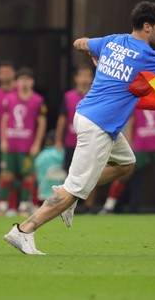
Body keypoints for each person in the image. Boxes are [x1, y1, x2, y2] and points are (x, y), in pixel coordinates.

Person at [3, 1, 155, 255]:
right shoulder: (146, 55)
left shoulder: (111, 41)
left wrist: (92, 52)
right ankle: (24, 230)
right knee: (73, 188)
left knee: (125, 164)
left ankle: (70, 194)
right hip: (98, 124)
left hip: (88, 116)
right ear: (147, 26)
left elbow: (80, 42)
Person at [0, 67, 47, 216]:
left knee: (28, 176)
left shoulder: (38, 100)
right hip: (11, 144)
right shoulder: (9, 99)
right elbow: (4, 119)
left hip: (27, 146)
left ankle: (23, 207)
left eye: (28, 80)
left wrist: (37, 144)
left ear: (32, 82)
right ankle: (2, 207)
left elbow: (42, 122)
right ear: (16, 82)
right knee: (7, 175)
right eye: (22, 79)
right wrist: (3, 140)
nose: (25, 83)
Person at [54, 63, 96, 212]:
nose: (84, 78)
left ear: (92, 78)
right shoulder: (68, 96)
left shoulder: (97, 94)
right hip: (71, 142)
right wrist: (58, 139)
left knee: (91, 174)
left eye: (87, 75)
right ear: (76, 78)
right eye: (81, 75)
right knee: (69, 174)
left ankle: (89, 206)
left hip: (91, 141)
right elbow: (62, 119)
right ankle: (67, 205)